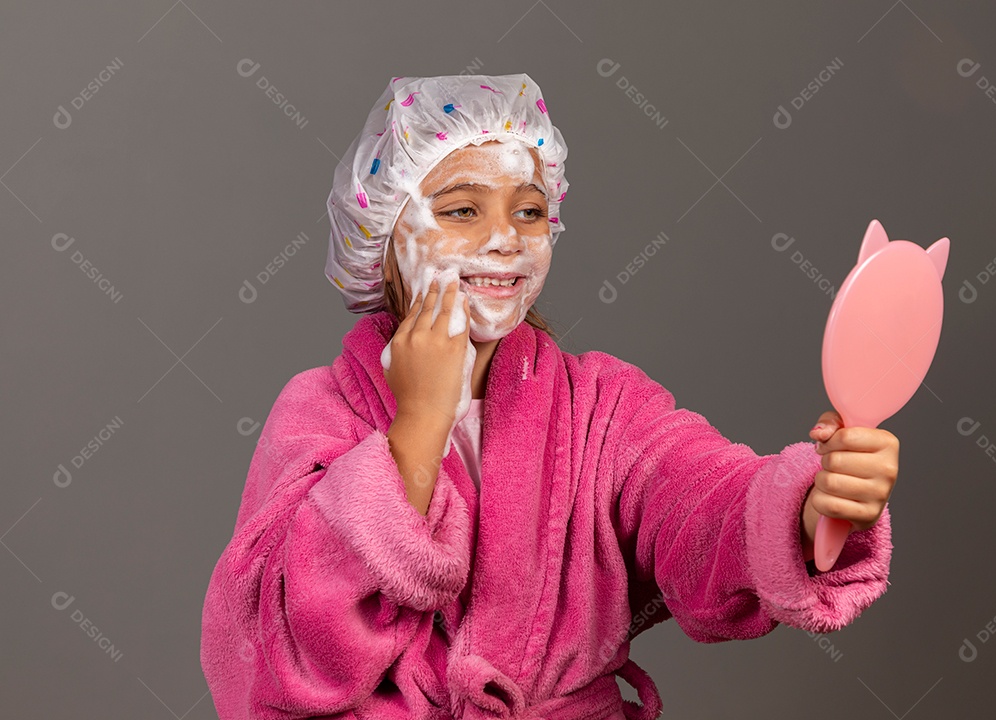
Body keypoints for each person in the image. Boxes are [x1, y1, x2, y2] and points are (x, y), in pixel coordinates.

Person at [200, 73, 898, 720]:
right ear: (384, 237)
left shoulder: (601, 406)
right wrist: (417, 427)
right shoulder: (323, 410)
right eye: (463, 209)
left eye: (530, 212)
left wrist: (806, 507)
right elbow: (275, 635)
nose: (504, 238)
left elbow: (696, 497)